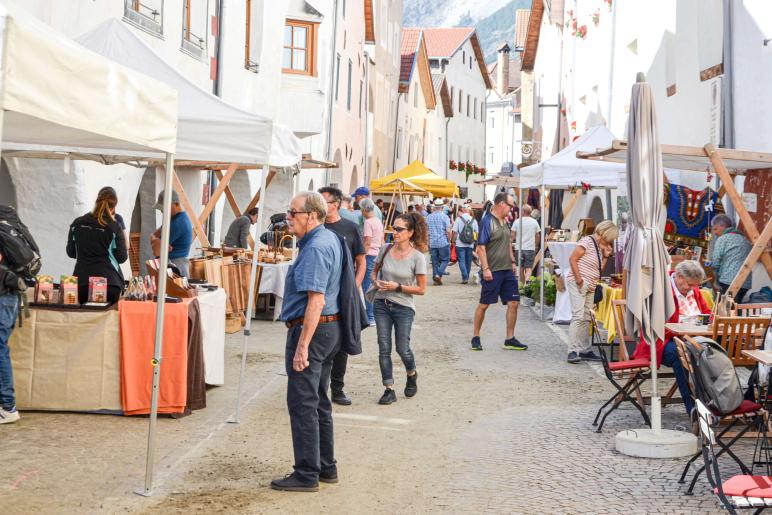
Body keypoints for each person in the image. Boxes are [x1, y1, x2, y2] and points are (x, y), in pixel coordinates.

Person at [271, 191, 342, 492]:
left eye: (293, 212)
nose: (289, 218)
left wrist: (302, 346)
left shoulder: (316, 247)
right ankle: (325, 467)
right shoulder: (326, 239)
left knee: (303, 403)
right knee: (319, 401)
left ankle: (307, 473)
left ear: (311, 216)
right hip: (328, 330)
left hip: (313, 331)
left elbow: (316, 300)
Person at [632, 260, 711, 417]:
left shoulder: (694, 290)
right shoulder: (660, 290)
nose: (691, 288)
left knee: (713, 352)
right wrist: (682, 328)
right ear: (679, 276)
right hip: (662, 341)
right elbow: (653, 326)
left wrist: (710, 319)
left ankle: (715, 404)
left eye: (695, 285)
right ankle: (693, 410)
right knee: (681, 354)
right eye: (689, 285)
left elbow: (707, 312)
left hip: (693, 338)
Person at [371, 212, 427, 405]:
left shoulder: (417, 257)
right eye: (394, 228)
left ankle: (411, 374)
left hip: (404, 306)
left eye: (399, 229)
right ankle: (389, 389)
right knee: (383, 347)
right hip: (382, 303)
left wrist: (399, 287)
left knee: (402, 348)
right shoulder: (385, 249)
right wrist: (376, 282)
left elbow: (421, 289)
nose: (395, 232)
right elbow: (374, 271)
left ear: (410, 232)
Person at [318, 187, 365, 407]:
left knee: (342, 342)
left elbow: (361, 261)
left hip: (344, 295)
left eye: (323, 201)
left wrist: (353, 287)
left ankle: (337, 388)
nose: (319, 205)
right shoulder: (316, 227)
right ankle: (318, 390)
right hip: (319, 292)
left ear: (335, 204)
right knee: (317, 341)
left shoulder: (351, 228)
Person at [471, 193, 527, 352]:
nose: (511, 209)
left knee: (514, 303)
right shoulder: (487, 221)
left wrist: (513, 261)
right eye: (510, 206)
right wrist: (485, 268)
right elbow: (481, 247)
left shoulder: (506, 221)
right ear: (501, 204)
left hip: (507, 269)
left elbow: (508, 242)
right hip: (493, 270)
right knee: (484, 304)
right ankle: (476, 336)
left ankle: (510, 338)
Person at [565, 220, 619, 363]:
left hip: (591, 285)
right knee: (578, 316)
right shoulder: (587, 241)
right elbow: (572, 259)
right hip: (579, 283)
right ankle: (572, 350)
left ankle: (584, 349)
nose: (610, 242)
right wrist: (579, 281)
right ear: (604, 234)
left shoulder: (598, 247)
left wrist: (606, 256)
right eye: (610, 238)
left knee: (587, 317)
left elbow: (598, 270)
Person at [66, 187, 128, 304]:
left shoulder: (77, 223)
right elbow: (122, 257)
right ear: (113, 207)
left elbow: (71, 252)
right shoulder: (114, 226)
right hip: (110, 285)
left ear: (96, 202)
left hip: (81, 285)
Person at [710, 214, 752, 303]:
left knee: (724, 311)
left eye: (715, 229)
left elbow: (715, 262)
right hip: (745, 282)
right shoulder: (745, 240)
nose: (715, 233)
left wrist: (714, 277)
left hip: (728, 281)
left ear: (723, 226)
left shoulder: (723, 239)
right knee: (735, 308)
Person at [150, 190, 193, 277]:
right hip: (173, 263)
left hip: (176, 266)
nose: (162, 212)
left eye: (164, 208)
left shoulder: (178, 222)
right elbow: (154, 237)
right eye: (161, 209)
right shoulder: (173, 219)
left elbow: (156, 248)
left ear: (176, 204)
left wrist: (155, 240)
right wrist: (155, 240)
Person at [360, 198, 384, 326]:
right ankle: (373, 314)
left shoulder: (368, 222)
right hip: (377, 255)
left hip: (369, 255)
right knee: (374, 286)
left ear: (364, 209)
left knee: (367, 287)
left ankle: (370, 316)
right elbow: (382, 240)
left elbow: (367, 242)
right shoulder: (378, 221)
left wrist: (361, 257)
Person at [510, 204, 541, 283]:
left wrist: (511, 243)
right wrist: (536, 246)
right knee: (528, 268)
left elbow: (512, 236)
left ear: (523, 212)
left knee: (520, 268)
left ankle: (521, 286)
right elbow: (537, 236)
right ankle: (527, 283)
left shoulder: (517, 221)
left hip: (519, 248)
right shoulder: (534, 222)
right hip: (530, 249)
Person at [426, 199, 451, 285]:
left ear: (434, 207)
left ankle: (436, 279)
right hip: (443, 241)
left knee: (434, 262)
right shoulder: (445, 217)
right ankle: (438, 274)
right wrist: (449, 240)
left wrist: (428, 242)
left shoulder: (429, 217)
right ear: (442, 207)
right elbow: (448, 230)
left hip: (433, 242)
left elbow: (427, 231)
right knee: (445, 260)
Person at [451, 205, 478, 284]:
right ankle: (467, 275)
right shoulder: (474, 220)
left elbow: (455, 232)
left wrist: (453, 241)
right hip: (470, 244)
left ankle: (465, 277)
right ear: (469, 211)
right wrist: (475, 241)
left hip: (460, 243)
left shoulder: (459, 219)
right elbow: (476, 232)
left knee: (461, 261)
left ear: (463, 210)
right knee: (468, 261)